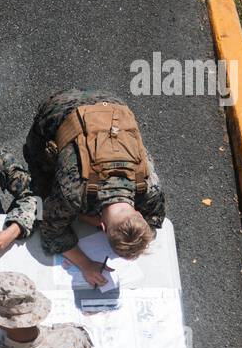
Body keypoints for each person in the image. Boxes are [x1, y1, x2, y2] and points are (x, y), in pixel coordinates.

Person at [23, 88, 166, 284]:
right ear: (102, 226)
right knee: (40, 179)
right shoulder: (74, 192)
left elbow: (153, 222)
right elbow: (50, 230)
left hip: (114, 101)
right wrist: (86, 264)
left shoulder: (150, 189)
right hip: (61, 108)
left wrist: (83, 216)